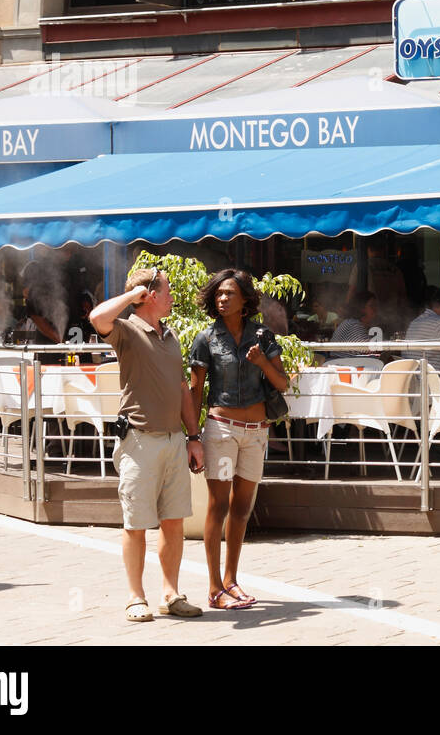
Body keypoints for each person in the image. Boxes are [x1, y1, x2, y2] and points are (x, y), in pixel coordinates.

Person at [89, 267, 205, 623]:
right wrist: (130, 296)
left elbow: (182, 389)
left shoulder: (171, 336)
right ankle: (135, 597)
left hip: (173, 440)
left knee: (173, 522)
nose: (172, 297)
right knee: (136, 523)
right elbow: (96, 317)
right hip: (138, 441)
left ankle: (170, 594)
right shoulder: (126, 331)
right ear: (148, 295)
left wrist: (193, 437)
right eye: (166, 291)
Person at [188, 269, 288, 611]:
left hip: (256, 431)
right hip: (223, 429)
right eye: (218, 294)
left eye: (229, 293)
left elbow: (283, 383)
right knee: (219, 505)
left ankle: (232, 580)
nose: (223, 298)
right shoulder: (207, 338)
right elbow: (195, 390)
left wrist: (262, 361)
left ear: (245, 299)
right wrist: (192, 435)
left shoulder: (262, 336)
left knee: (243, 509)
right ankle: (215, 587)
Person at [329, 291, 379, 358]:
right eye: (372, 306)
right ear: (361, 308)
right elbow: (369, 350)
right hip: (341, 365)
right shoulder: (353, 324)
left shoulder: (353, 322)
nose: (375, 309)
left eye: (375, 305)